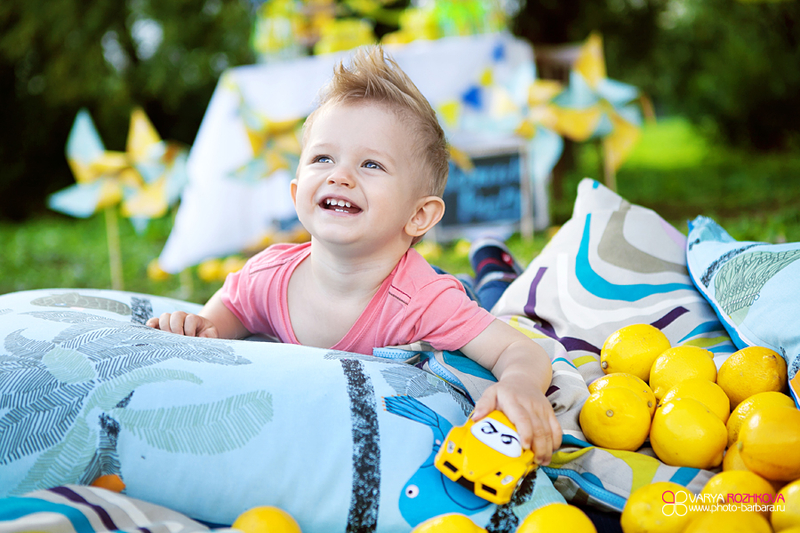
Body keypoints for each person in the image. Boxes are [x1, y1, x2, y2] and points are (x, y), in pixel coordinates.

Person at [147, 45, 562, 465]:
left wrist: (521, 386)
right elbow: (227, 313)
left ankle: (493, 267)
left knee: (495, 300)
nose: (340, 175)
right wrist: (202, 327)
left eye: (371, 165)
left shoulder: (425, 301)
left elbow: (518, 350)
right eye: (323, 158)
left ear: (419, 215)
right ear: (297, 192)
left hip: (436, 287)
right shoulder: (267, 276)